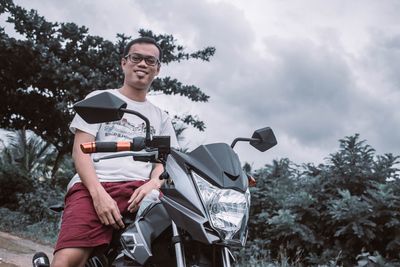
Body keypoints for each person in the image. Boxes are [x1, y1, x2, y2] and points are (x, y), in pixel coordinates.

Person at [51, 37, 179, 267]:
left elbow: (165, 160)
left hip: (141, 191)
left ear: (157, 69)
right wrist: (97, 194)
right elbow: (81, 151)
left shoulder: (161, 117)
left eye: (150, 60)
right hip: (96, 186)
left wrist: (152, 184)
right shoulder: (100, 99)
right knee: (67, 260)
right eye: (136, 57)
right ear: (124, 63)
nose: (142, 64)